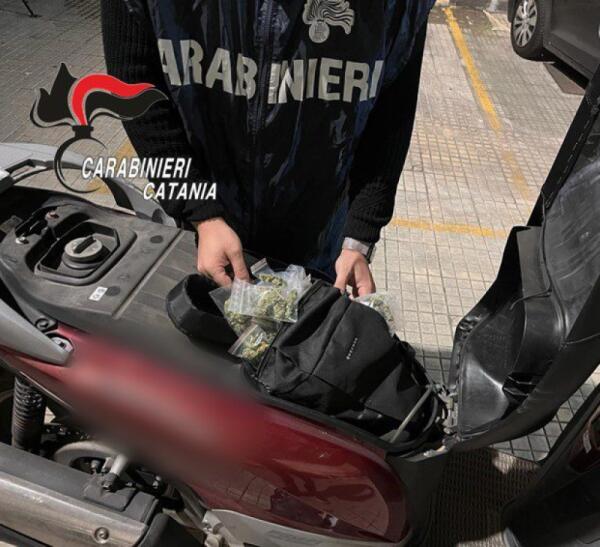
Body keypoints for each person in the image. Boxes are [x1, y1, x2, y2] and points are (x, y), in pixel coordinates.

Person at [101, 0, 433, 295]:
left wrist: (359, 235)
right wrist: (197, 210)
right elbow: (134, 84)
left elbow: (393, 113)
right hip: (206, 230)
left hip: (320, 240)